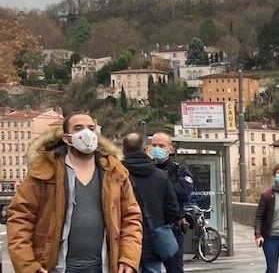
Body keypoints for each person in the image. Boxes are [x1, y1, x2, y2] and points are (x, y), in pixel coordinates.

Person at [6, 112, 143, 273]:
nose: (86, 133)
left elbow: (131, 217)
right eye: (78, 128)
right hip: (56, 268)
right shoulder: (43, 171)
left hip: (105, 267)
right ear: (66, 138)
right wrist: (28, 266)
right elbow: (20, 218)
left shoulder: (115, 172)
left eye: (91, 128)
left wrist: (128, 258)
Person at [121, 133, 181, 273]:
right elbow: (172, 209)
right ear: (144, 149)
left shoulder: (117, 175)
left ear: (124, 151)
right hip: (154, 242)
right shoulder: (160, 176)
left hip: (125, 245)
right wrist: (159, 223)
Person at [148, 133, 194, 273]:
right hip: (149, 226)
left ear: (171, 149)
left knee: (174, 268)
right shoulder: (146, 169)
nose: (157, 148)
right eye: (154, 145)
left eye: (161, 145)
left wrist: (160, 189)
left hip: (171, 227)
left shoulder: (179, 170)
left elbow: (185, 192)